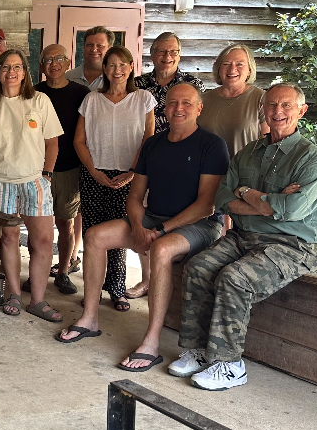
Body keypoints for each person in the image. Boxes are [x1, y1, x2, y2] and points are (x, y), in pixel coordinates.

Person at [56, 84, 228, 374]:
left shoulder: (211, 145)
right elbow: (134, 197)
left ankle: (151, 342)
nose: (178, 108)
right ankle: (90, 318)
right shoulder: (153, 144)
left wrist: (159, 231)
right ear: (165, 108)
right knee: (95, 235)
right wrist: (137, 225)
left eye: (186, 103)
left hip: (198, 225)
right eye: (172, 103)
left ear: (199, 108)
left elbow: (206, 206)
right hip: (153, 219)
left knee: (160, 249)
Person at [170, 83, 317, 390]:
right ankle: (202, 351)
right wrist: (263, 199)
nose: (277, 112)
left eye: (286, 106)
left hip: (291, 244)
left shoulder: (310, 158)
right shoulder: (248, 153)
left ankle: (230, 365)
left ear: (301, 111)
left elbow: (292, 211)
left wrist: (254, 200)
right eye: (271, 106)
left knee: (235, 278)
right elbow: (225, 198)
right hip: (244, 236)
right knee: (198, 267)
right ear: (263, 110)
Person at [0, 50, 63, 321]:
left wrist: (47, 173)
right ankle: (13, 293)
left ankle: (38, 299)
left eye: (17, 67)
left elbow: (52, 141)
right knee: (9, 238)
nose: (11, 72)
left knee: (43, 241)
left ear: (24, 72)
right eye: (5, 67)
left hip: (34, 181)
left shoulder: (39, 101)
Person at [75, 47, 156, 312]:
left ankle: (118, 289)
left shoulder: (143, 98)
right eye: (110, 65)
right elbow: (79, 141)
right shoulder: (92, 100)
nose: (116, 70)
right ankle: (93, 289)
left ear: (131, 67)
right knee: (92, 234)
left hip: (129, 176)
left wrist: (132, 172)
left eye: (122, 64)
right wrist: (94, 171)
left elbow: (148, 140)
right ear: (104, 69)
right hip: (94, 174)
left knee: (119, 235)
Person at [127, 32, 205, 299]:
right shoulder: (137, 84)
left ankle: (169, 280)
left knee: (172, 218)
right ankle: (147, 279)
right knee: (142, 216)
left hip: (180, 161)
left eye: (173, 51)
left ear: (179, 54)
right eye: (161, 51)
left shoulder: (192, 84)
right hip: (145, 158)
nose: (167, 57)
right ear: (152, 54)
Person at [35, 43, 91, 294]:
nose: (54, 64)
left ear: (68, 63)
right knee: (38, 225)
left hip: (69, 168)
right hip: (37, 169)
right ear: (41, 66)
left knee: (65, 223)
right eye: (48, 60)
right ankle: (38, 270)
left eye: (59, 59)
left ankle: (64, 271)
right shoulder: (34, 93)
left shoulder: (82, 93)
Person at [199, 44, 267, 157]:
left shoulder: (262, 98)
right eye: (226, 64)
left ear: (249, 70)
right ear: (219, 69)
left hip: (245, 172)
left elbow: (267, 143)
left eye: (239, 64)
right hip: (208, 172)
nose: (232, 69)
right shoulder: (202, 100)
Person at [66, 26, 113, 91]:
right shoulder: (68, 77)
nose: (94, 49)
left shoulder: (115, 80)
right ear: (84, 47)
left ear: (110, 49)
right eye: (89, 45)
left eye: (100, 45)